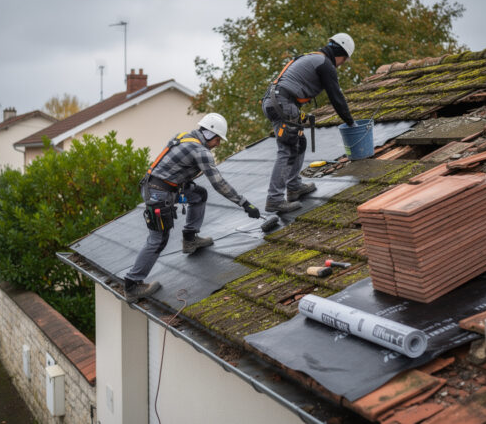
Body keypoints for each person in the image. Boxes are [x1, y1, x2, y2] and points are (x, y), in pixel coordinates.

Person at [124, 113, 261, 302]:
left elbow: (176, 168)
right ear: (210, 134)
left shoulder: (183, 137)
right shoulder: (201, 152)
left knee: (198, 194)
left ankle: (190, 239)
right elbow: (218, 183)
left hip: (162, 187)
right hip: (158, 193)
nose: (218, 144)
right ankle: (132, 284)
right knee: (159, 238)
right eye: (218, 139)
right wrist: (244, 203)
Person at [262, 33, 357, 213]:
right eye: (343, 60)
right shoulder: (325, 64)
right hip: (283, 102)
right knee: (288, 149)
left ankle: (294, 187)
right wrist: (351, 123)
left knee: (299, 142)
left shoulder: (314, 58)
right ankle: (274, 199)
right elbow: (336, 97)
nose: (341, 64)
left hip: (275, 101)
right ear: (341, 54)